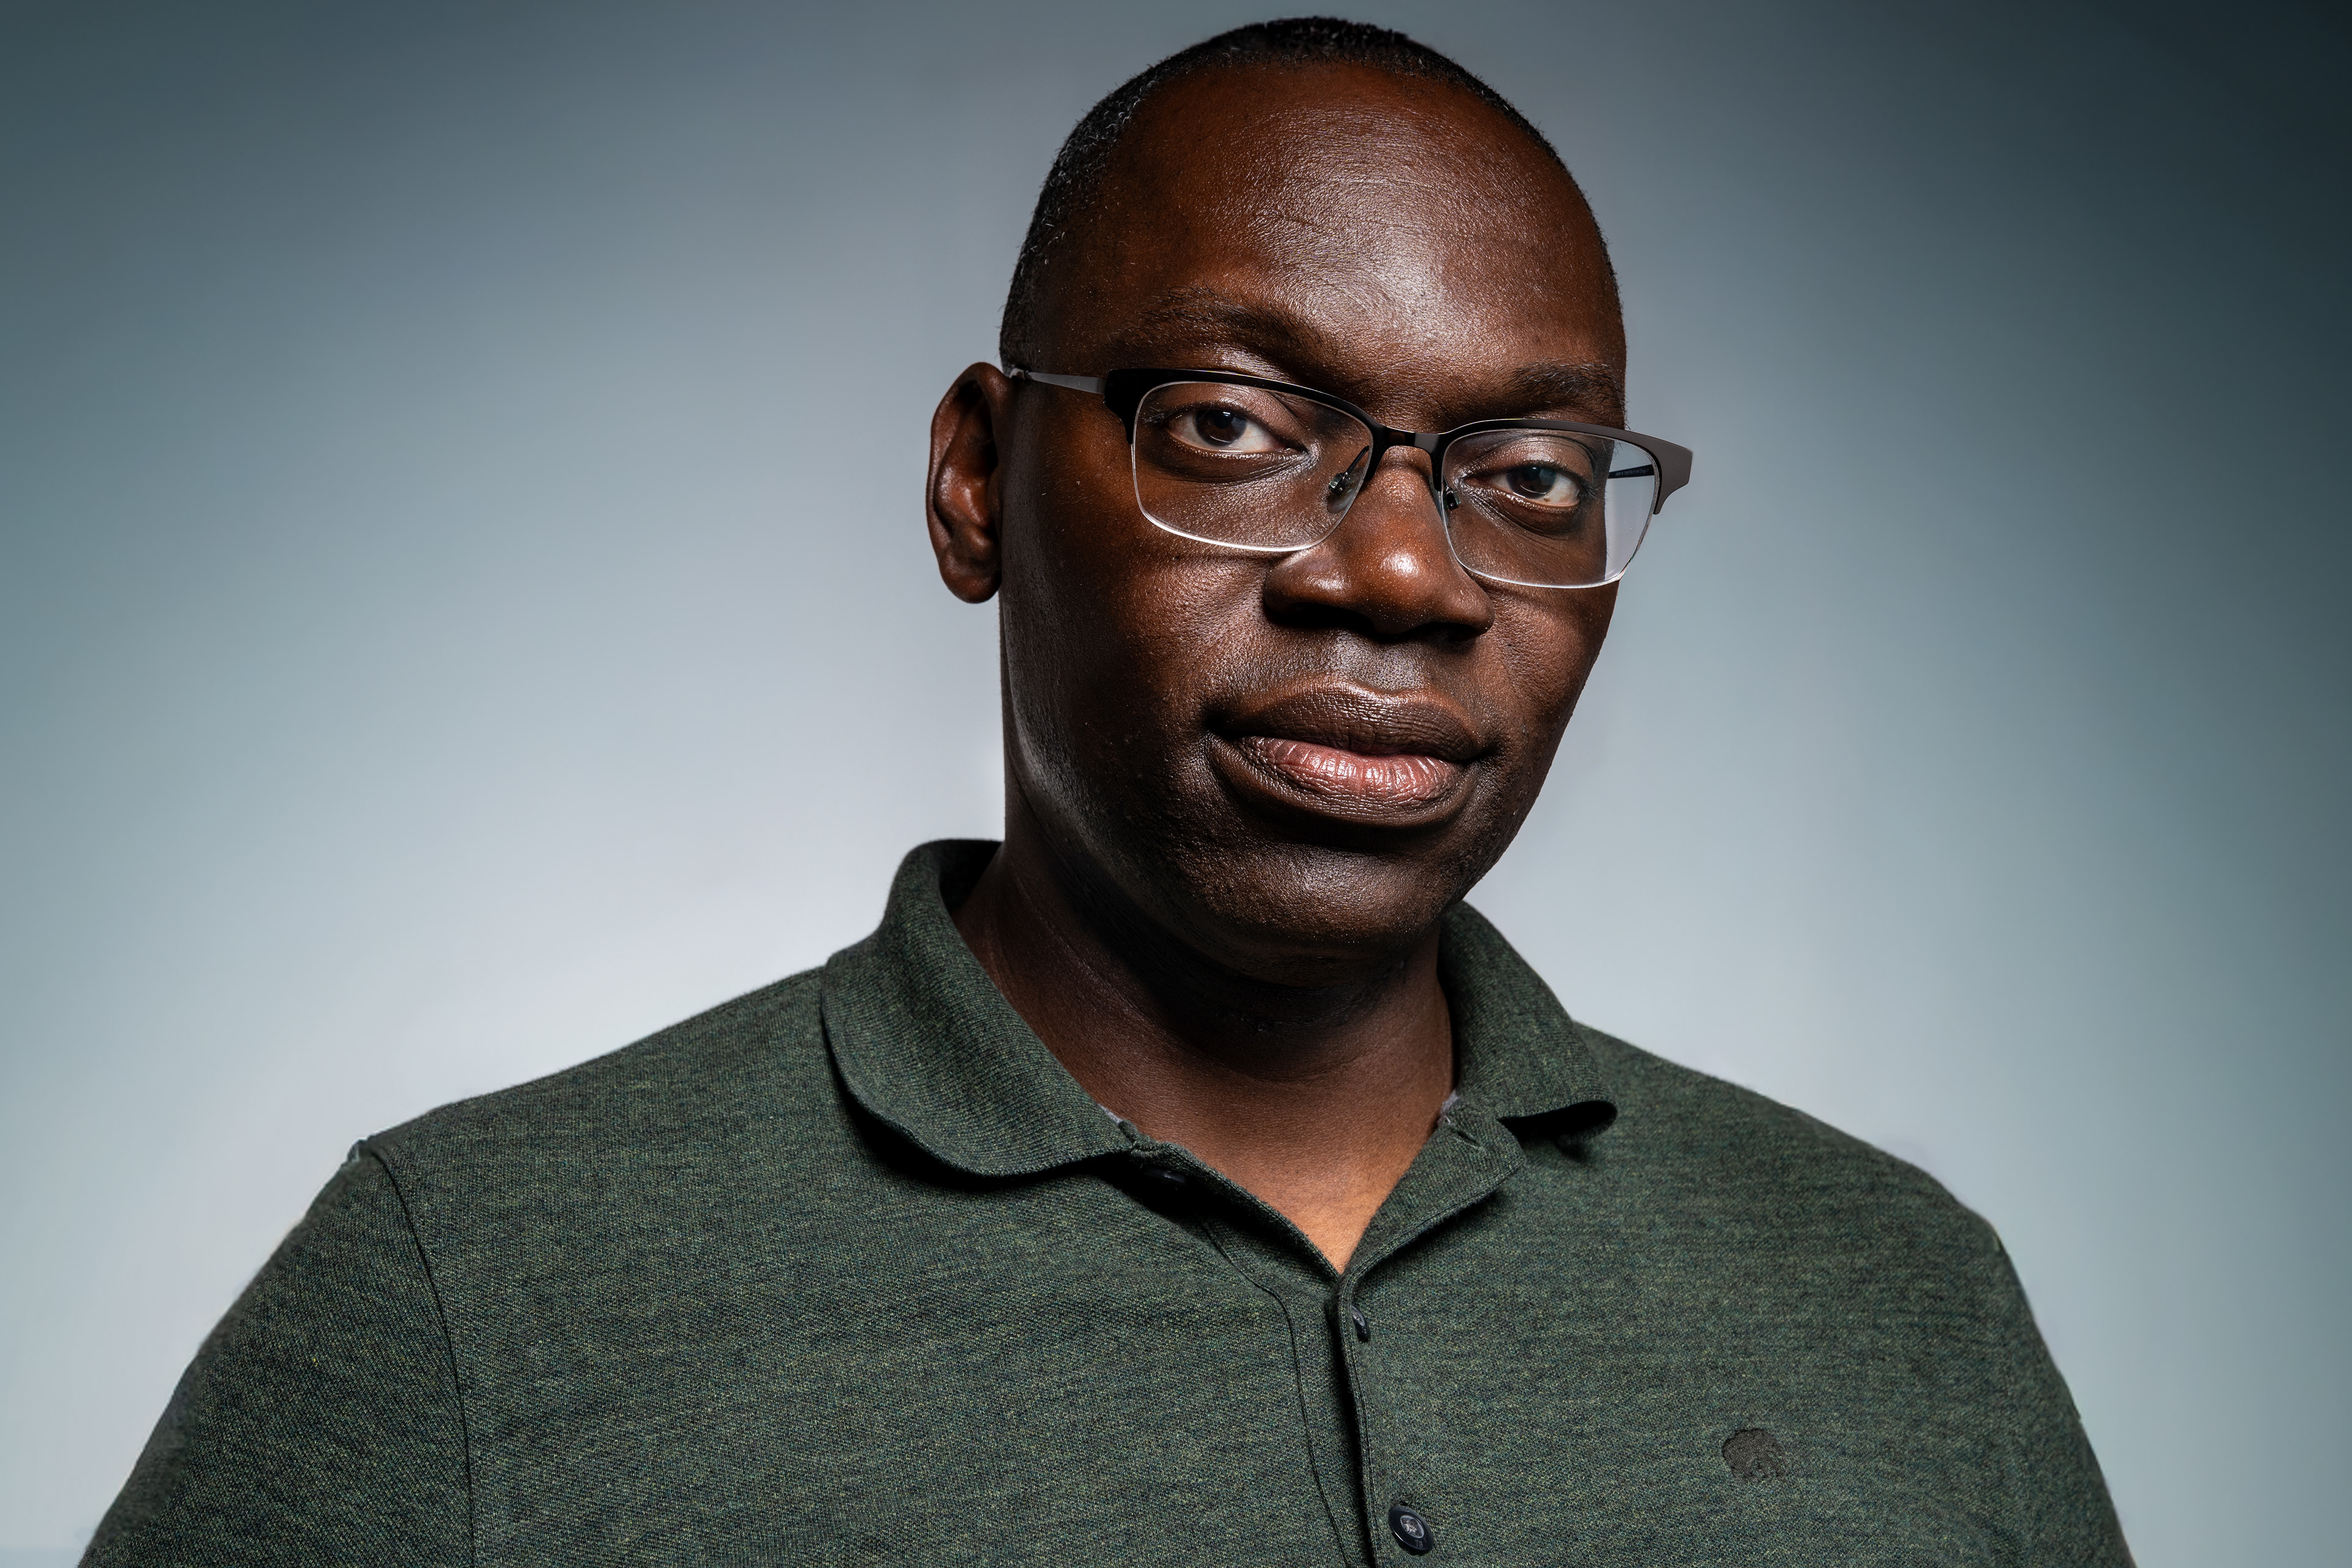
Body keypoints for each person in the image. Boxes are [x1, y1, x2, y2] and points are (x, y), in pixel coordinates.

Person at [85, 18, 2132, 1566]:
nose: (1402, 575)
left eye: (1525, 477)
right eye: (1236, 424)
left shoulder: (1896, 1295)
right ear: (981, 482)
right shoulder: (467, 1302)